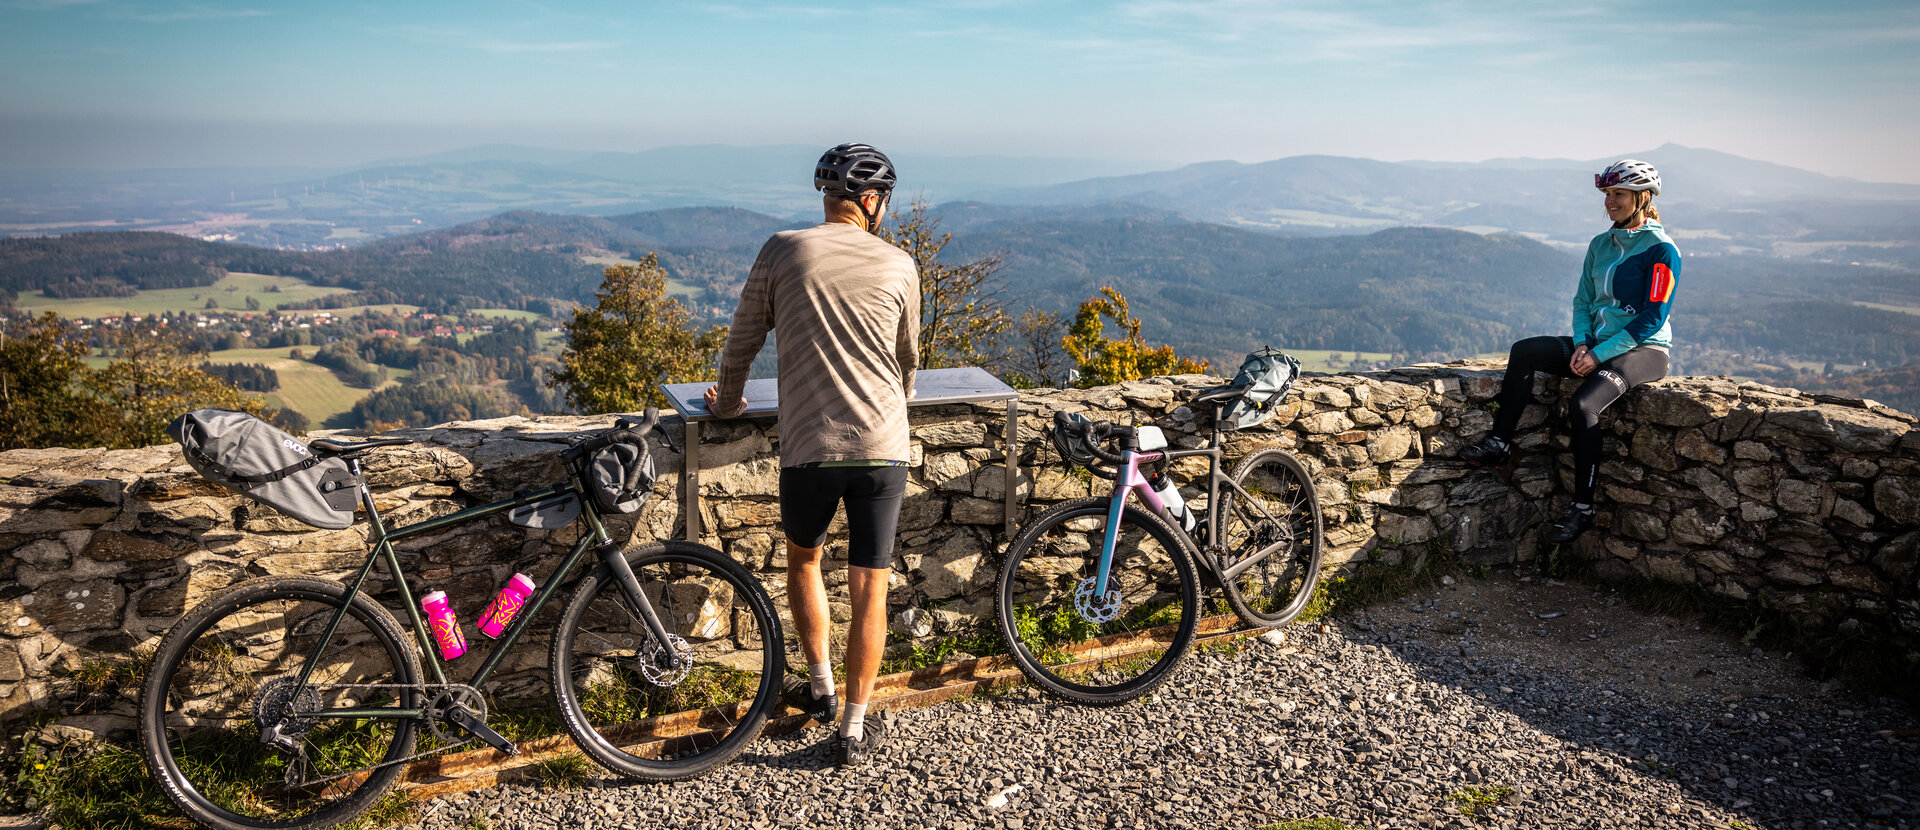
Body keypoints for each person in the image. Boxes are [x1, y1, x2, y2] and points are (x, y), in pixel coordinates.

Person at [703, 142, 919, 767]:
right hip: (883, 448)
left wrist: (726, 406)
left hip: (810, 446)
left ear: (828, 197)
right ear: (873, 201)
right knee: (870, 586)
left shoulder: (783, 249)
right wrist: (896, 400)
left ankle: (820, 688)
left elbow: (740, 344)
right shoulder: (900, 264)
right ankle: (853, 726)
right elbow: (908, 360)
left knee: (804, 561)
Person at [1460, 159, 1680, 544]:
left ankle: (1583, 508)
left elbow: (1652, 318)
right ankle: (1500, 443)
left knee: (1583, 405)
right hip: (1594, 344)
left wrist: (1599, 355)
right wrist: (1582, 343)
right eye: (1607, 195)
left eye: (1618, 195)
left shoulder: (1662, 250)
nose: (1609, 202)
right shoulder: (1600, 245)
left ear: (1642, 198)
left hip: (1644, 350)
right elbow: (1583, 301)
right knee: (1525, 351)